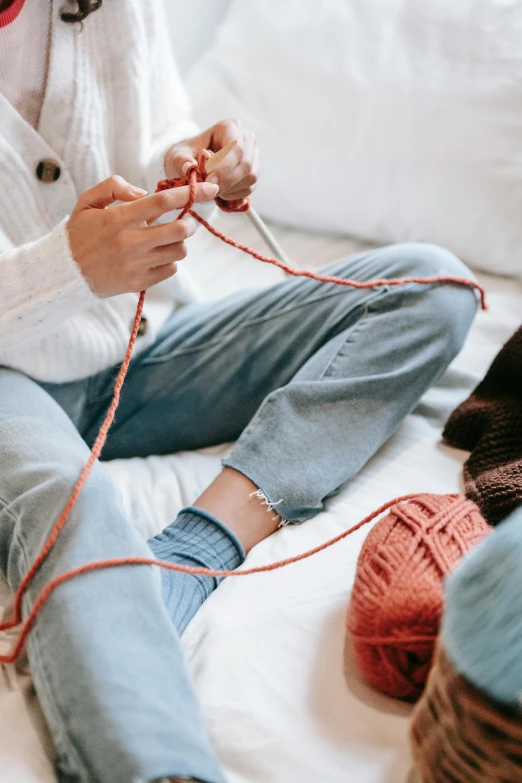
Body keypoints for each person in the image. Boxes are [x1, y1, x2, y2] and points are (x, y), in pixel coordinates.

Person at [0, 1, 478, 781]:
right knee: (77, 499)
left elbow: (154, 129)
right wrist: (65, 269)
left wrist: (193, 158)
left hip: (140, 344)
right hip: (10, 380)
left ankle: (190, 552)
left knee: (433, 284)